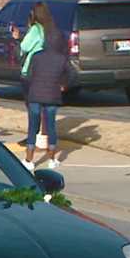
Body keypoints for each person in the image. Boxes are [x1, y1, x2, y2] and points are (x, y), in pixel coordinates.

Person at [22, 29, 75, 170]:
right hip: (52, 95)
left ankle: (29, 160)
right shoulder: (62, 58)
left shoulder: (36, 56)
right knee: (51, 126)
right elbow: (72, 74)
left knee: (32, 126)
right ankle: (52, 159)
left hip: (35, 94)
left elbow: (29, 75)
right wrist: (63, 84)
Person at [11, 2, 52, 80]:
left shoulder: (35, 29)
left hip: (31, 68)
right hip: (45, 67)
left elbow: (24, 47)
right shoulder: (47, 28)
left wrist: (17, 39)